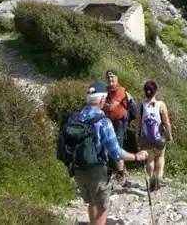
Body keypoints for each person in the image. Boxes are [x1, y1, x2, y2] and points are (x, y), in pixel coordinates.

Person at [59, 82, 148, 225]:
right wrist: (137, 156)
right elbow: (116, 152)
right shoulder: (103, 121)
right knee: (102, 207)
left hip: (77, 169)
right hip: (96, 169)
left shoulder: (75, 117)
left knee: (92, 203)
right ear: (102, 100)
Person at [136, 80, 173, 192]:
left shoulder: (141, 105)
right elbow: (166, 123)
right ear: (155, 92)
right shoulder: (161, 105)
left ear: (145, 92)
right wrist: (169, 135)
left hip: (145, 137)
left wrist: (137, 135)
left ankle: (151, 178)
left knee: (149, 159)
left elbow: (137, 122)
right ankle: (159, 178)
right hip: (159, 137)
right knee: (160, 156)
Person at [104, 69, 134, 148]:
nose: (110, 79)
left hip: (119, 123)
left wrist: (101, 104)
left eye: (112, 77)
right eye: (108, 77)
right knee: (107, 146)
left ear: (117, 78)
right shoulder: (104, 90)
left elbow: (111, 107)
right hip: (107, 122)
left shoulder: (120, 90)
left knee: (117, 147)